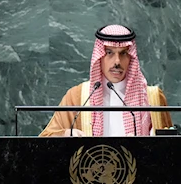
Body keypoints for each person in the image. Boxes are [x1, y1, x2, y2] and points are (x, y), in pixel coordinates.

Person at [40, 24, 173, 137]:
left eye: (123, 53)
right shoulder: (77, 97)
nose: (117, 62)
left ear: (131, 57)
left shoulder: (152, 98)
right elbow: (45, 138)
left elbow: (172, 148)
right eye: (109, 53)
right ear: (99, 57)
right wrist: (66, 134)